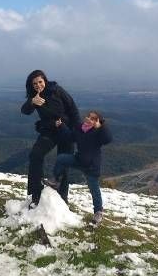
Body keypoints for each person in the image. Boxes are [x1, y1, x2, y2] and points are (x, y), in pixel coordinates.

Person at [21, 70, 80, 207]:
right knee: (35, 155)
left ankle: (63, 199)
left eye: (40, 82)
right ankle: (35, 195)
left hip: (66, 130)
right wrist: (32, 102)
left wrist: (78, 132)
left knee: (64, 164)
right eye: (34, 83)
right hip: (49, 130)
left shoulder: (57, 90)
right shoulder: (34, 96)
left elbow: (73, 108)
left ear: (45, 81)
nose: (38, 85)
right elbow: (25, 110)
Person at [46, 110, 112, 225]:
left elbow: (108, 139)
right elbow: (70, 137)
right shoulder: (80, 129)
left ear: (97, 121)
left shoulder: (98, 132)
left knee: (94, 190)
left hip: (91, 166)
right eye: (88, 117)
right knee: (61, 159)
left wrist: (102, 126)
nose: (89, 119)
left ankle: (98, 212)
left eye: (93, 119)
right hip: (79, 160)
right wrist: (61, 126)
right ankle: (55, 180)